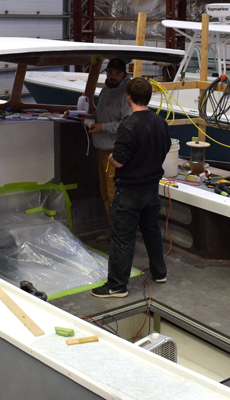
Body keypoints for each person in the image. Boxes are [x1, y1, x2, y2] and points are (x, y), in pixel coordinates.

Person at [92, 78, 169, 298]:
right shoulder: (160, 122)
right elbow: (163, 150)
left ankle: (117, 286)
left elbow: (121, 161)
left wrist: (111, 158)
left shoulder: (129, 125)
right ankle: (159, 272)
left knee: (122, 238)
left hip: (130, 191)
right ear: (149, 97)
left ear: (128, 97)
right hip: (151, 189)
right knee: (152, 231)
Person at [89, 58, 131, 244]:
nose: (112, 77)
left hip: (115, 152)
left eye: (117, 73)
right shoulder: (106, 90)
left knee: (115, 195)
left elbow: (127, 124)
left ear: (124, 74)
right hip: (101, 149)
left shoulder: (126, 95)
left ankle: (121, 236)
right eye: (110, 73)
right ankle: (113, 231)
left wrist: (102, 127)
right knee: (105, 193)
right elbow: (103, 113)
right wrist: (91, 117)